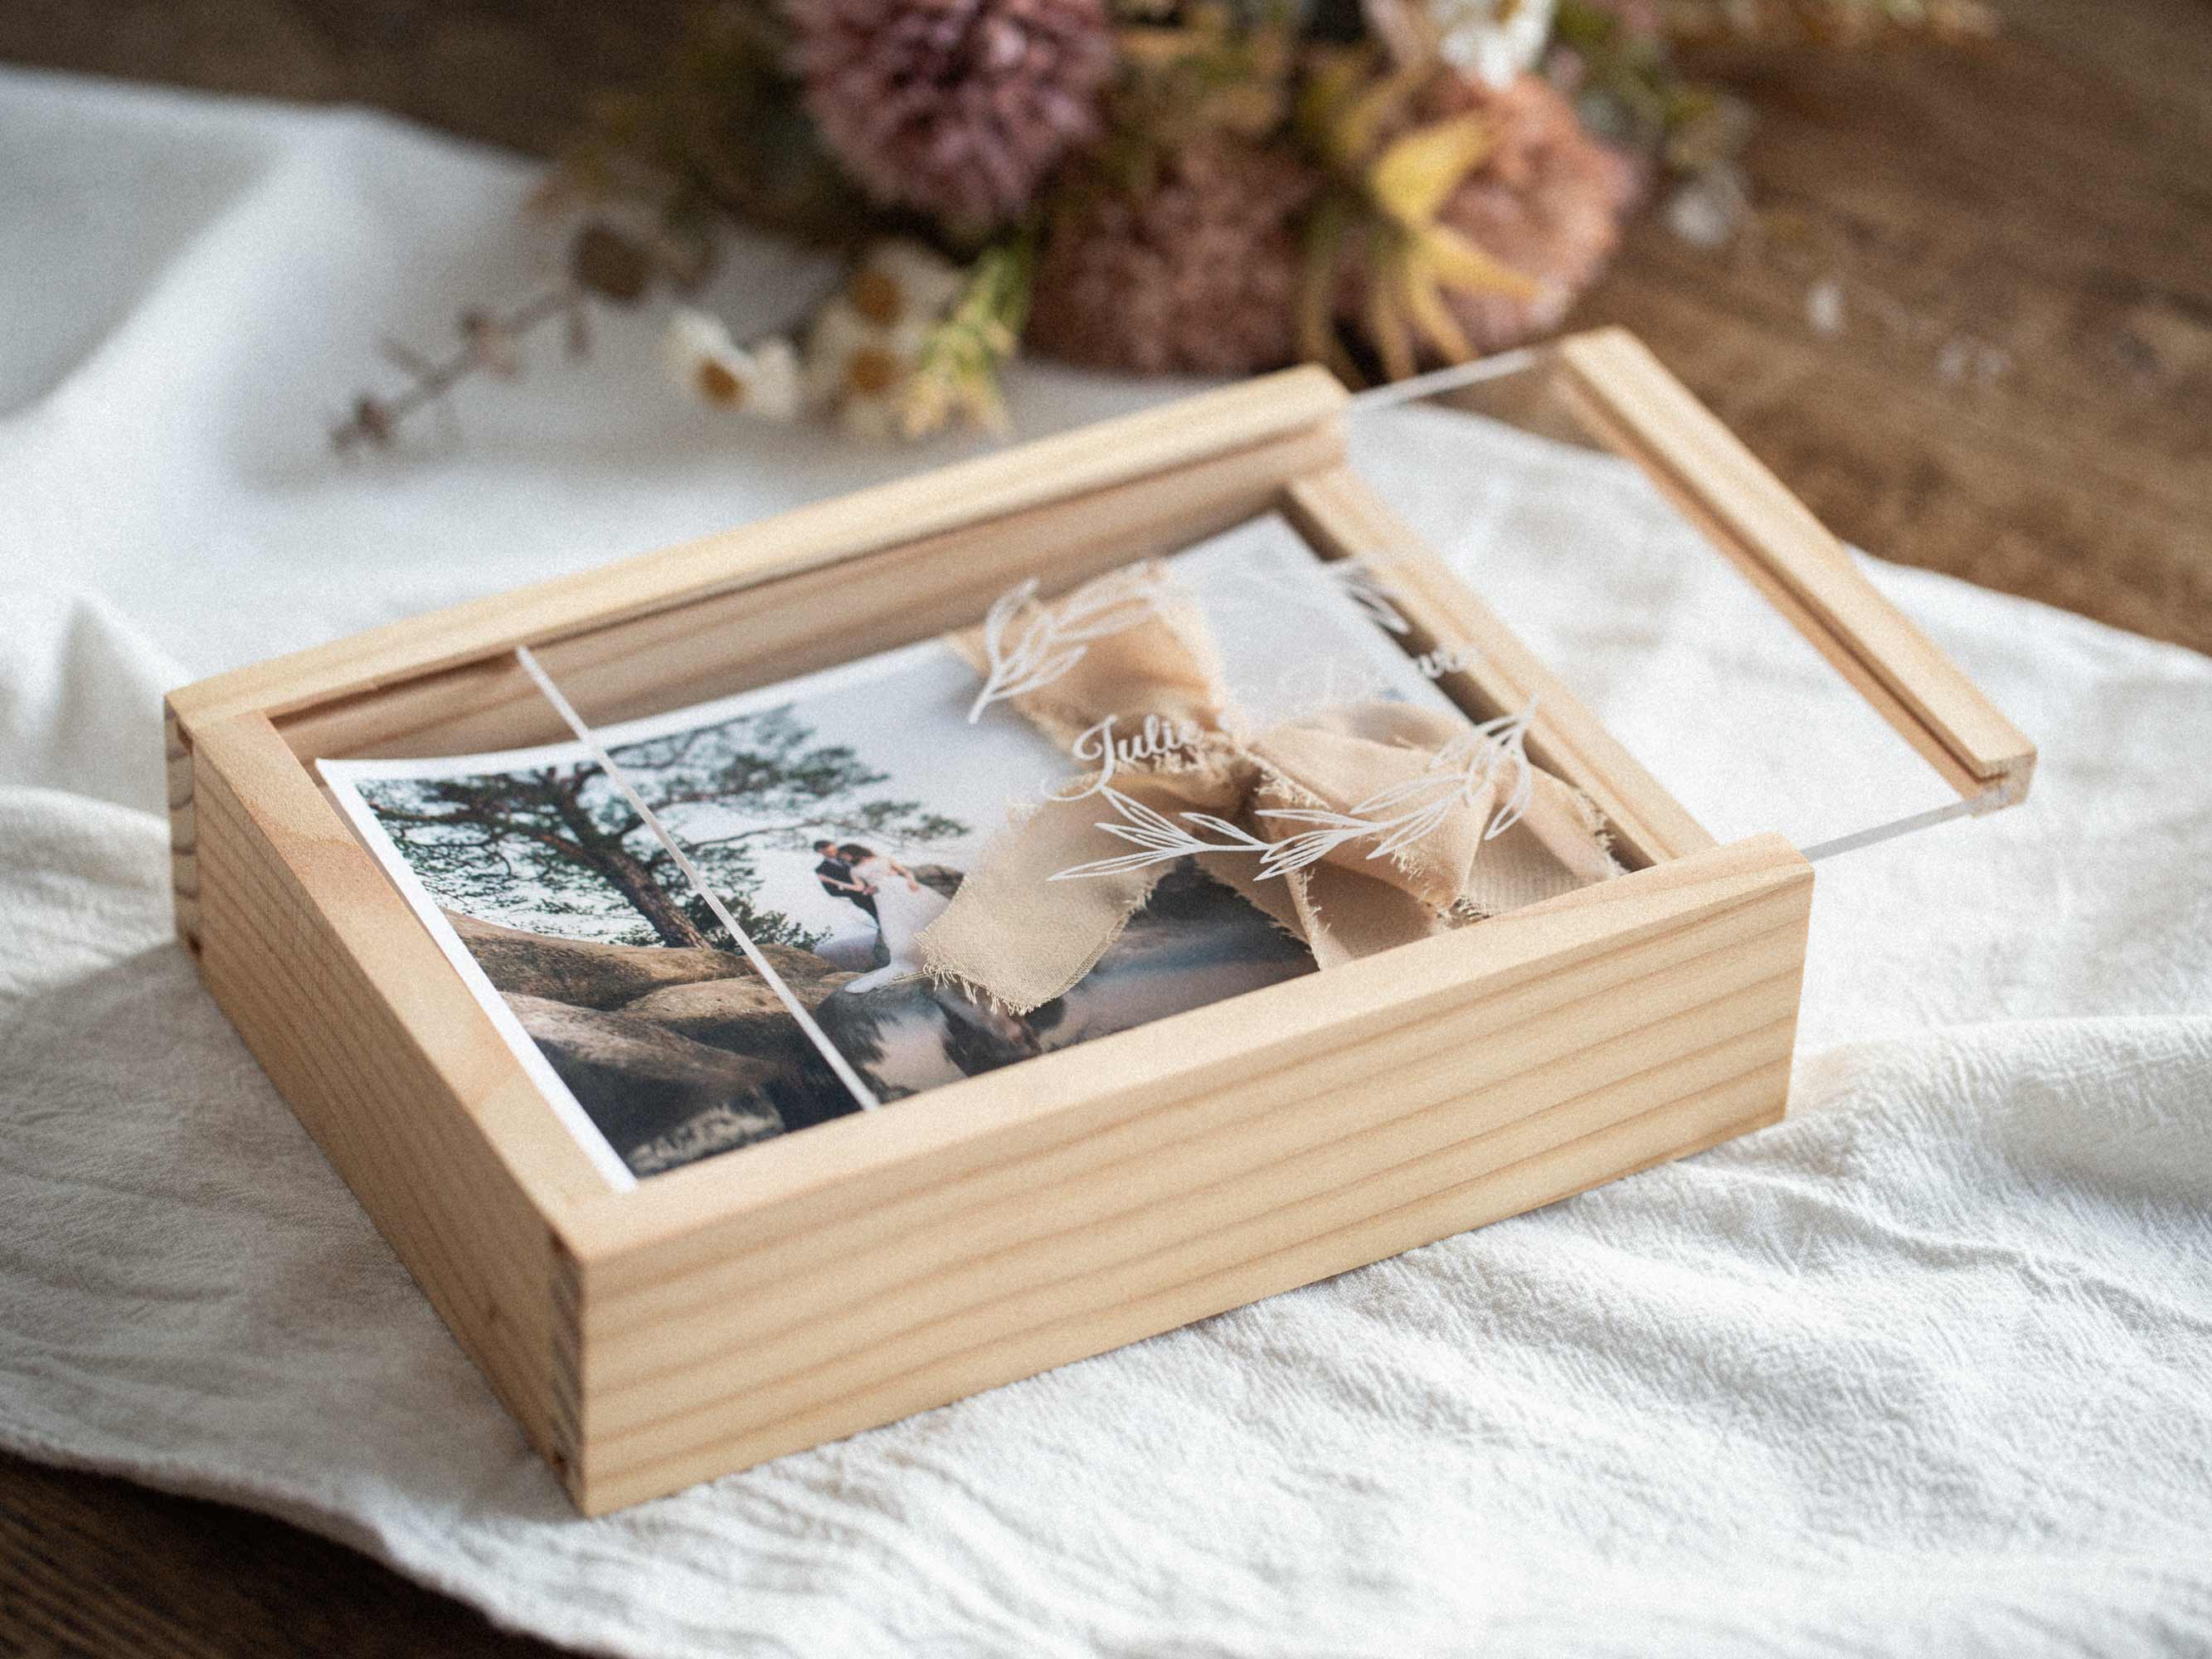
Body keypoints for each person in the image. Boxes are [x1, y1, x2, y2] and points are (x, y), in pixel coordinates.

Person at [837, 843, 952, 994]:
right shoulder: (854, 870)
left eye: (844, 855)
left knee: (920, 913)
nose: (844, 858)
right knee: (897, 923)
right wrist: (837, 883)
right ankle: (917, 954)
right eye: (842, 858)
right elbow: (860, 888)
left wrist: (911, 881)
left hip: (902, 887)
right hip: (883, 896)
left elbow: (905, 872)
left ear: (852, 851)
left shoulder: (883, 858)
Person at [812, 838, 877, 920]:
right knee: (881, 919)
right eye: (828, 852)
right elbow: (832, 891)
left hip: (880, 887)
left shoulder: (851, 850)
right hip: (862, 898)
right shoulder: (822, 870)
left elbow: (873, 861)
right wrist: (860, 891)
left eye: (834, 850)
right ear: (820, 852)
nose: (833, 853)